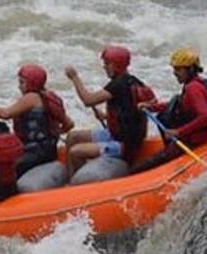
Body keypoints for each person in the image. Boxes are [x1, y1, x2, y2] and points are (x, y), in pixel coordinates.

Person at [63, 45, 157, 183]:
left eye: (107, 64)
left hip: (123, 145)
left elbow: (88, 100)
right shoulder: (133, 81)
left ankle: (75, 188)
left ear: (115, 66)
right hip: (116, 135)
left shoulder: (118, 85)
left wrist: (74, 77)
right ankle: (70, 176)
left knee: (75, 151)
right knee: (72, 137)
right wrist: (106, 117)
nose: (104, 67)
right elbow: (129, 111)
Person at [131, 47, 207, 174]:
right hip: (191, 135)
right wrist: (150, 107)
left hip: (193, 139)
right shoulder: (194, 84)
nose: (174, 73)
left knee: (138, 169)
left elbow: (205, 117)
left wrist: (178, 132)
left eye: (178, 69)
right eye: (174, 69)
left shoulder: (193, 88)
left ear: (190, 69)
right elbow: (176, 105)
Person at [0, 64, 74, 179]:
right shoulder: (48, 97)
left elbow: (5, 114)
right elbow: (69, 124)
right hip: (49, 151)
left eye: (22, 82)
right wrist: (52, 134)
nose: (19, 86)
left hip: (34, 153)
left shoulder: (31, 98)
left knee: (5, 169)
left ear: (32, 83)